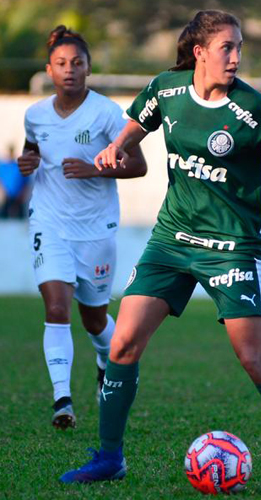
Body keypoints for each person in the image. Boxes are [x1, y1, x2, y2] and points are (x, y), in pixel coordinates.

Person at [58, 10, 261, 488]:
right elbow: (134, 126)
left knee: (254, 360)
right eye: (227, 47)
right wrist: (117, 148)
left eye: (240, 47)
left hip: (232, 248)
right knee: (123, 342)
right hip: (172, 239)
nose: (236, 57)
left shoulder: (251, 108)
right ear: (199, 52)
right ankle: (109, 458)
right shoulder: (166, 90)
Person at [19, 26, 147, 430]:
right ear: (49, 69)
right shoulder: (35, 114)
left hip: (95, 228)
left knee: (94, 319)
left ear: (89, 68)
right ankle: (62, 401)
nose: (69, 70)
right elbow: (33, 149)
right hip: (49, 221)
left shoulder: (107, 113)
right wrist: (27, 162)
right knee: (57, 309)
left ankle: (104, 360)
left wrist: (95, 168)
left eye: (77, 63)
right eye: (61, 64)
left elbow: (139, 165)